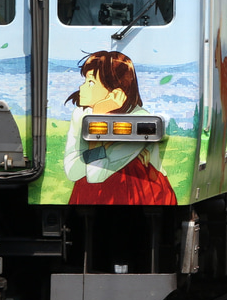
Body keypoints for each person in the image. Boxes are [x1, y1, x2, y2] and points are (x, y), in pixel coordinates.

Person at [62, 50, 176, 205]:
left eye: (91, 82)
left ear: (115, 92)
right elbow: (71, 171)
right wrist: (104, 144)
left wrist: (98, 120)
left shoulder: (139, 119)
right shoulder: (80, 114)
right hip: (94, 194)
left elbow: (96, 175)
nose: (82, 87)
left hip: (139, 195)